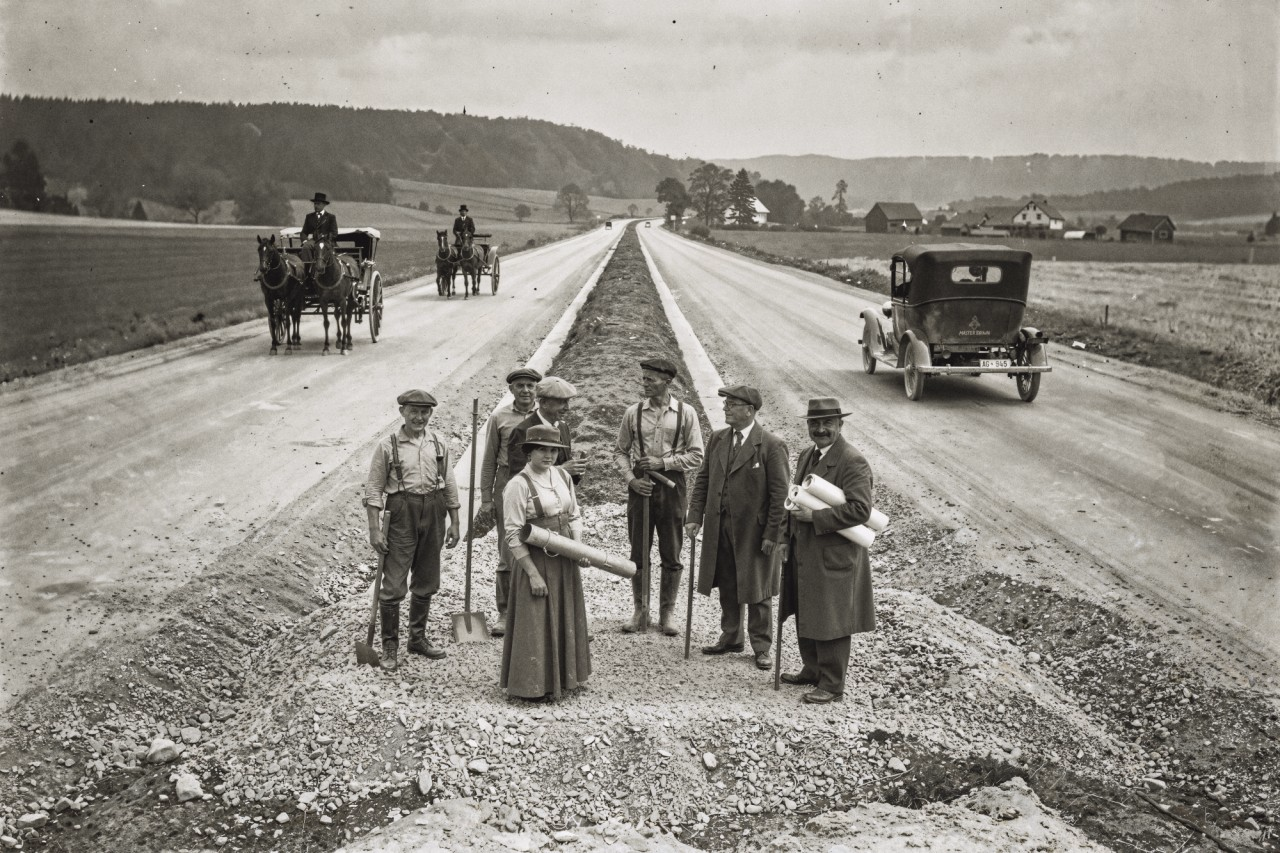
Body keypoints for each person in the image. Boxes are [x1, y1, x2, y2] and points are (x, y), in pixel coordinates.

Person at [779, 397, 876, 704]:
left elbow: (861, 510)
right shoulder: (809, 454)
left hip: (834, 554)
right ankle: (812, 669)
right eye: (814, 424)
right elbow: (794, 497)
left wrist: (816, 518)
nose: (820, 429)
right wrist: (784, 537)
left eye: (827, 424)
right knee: (808, 607)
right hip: (804, 549)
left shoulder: (852, 460)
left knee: (832, 617)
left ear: (840, 425)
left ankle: (832, 684)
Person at [685, 385, 789, 668]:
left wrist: (772, 534)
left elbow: (780, 496)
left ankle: (761, 646)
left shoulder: (770, 445)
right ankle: (731, 636)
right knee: (728, 583)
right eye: (726, 404)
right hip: (721, 527)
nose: (726, 408)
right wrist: (694, 515)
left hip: (754, 534)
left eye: (732, 404)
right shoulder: (718, 439)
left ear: (750, 411)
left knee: (758, 589)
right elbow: (703, 480)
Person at [363, 390, 461, 672]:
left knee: (428, 578)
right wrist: (374, 530)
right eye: (414, 411)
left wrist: (454, 520)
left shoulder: (438, 443)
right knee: (393, 584)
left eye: (425, 412)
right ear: (402, 412)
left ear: (430, 414)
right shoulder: (387, 446)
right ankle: (390, 646)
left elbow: (450, 483)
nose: (419, 417)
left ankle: (417, 639)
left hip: (434, 509)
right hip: (400, 512)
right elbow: (373, 491)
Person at [500, 425, 593, 701]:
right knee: (536, 619)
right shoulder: (518, 485)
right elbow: (513, 534)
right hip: (536, 557)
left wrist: (578, 547)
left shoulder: (563, 476)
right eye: (542, 449)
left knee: (566, 611)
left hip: (563, 555)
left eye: (553, 450)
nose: (549, 455)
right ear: (529, 452)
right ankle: (533, 685)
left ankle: (565, 678)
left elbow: (574, 515)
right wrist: (532, 574)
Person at [612, 357, 704, 634]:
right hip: (640, 488)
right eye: (644, 378)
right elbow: (619, 452)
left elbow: (697, 456)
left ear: (668, 381)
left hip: (672, 488)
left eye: (651, 379)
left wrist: (663, 464)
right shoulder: (633, 413)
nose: (645, 383)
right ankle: (641, 611)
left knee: (671, 552)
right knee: (638, 550)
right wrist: (631, 480)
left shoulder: (686, 413)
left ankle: (668, 613)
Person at [478, 367, 543, 638]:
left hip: (539, 483)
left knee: (540, 544)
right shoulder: (499, 417)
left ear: (536, 389)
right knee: (508, 550)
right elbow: (490, 460)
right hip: (507, 482)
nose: (525, 390)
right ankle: (505, 613)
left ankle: (537, 610)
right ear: (511, 390)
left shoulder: (545, 417)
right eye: (520, 386)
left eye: (530, 385)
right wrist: (485, 499)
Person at [506, 376, 587, 484]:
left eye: (568, 402)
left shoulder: (562, 427)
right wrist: (561, 470)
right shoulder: (522, 431)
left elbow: (564, 463)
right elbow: (517, 477)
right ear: (543, 403)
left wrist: (576, 470)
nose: (567, 408)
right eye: (562, 402)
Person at [299, 192, 339, 278]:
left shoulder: (330, 217)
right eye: (315, 204)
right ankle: (308, 272)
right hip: (314, 241)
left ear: (324, 205)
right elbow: (303, 232)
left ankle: (327, 270)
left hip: (326, 241)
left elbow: (334, 233)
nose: (316, 206)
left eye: (318, 204)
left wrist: (326, 237)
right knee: (306, 247)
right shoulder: (309, 217)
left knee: (324, 248)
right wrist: (305, 240)